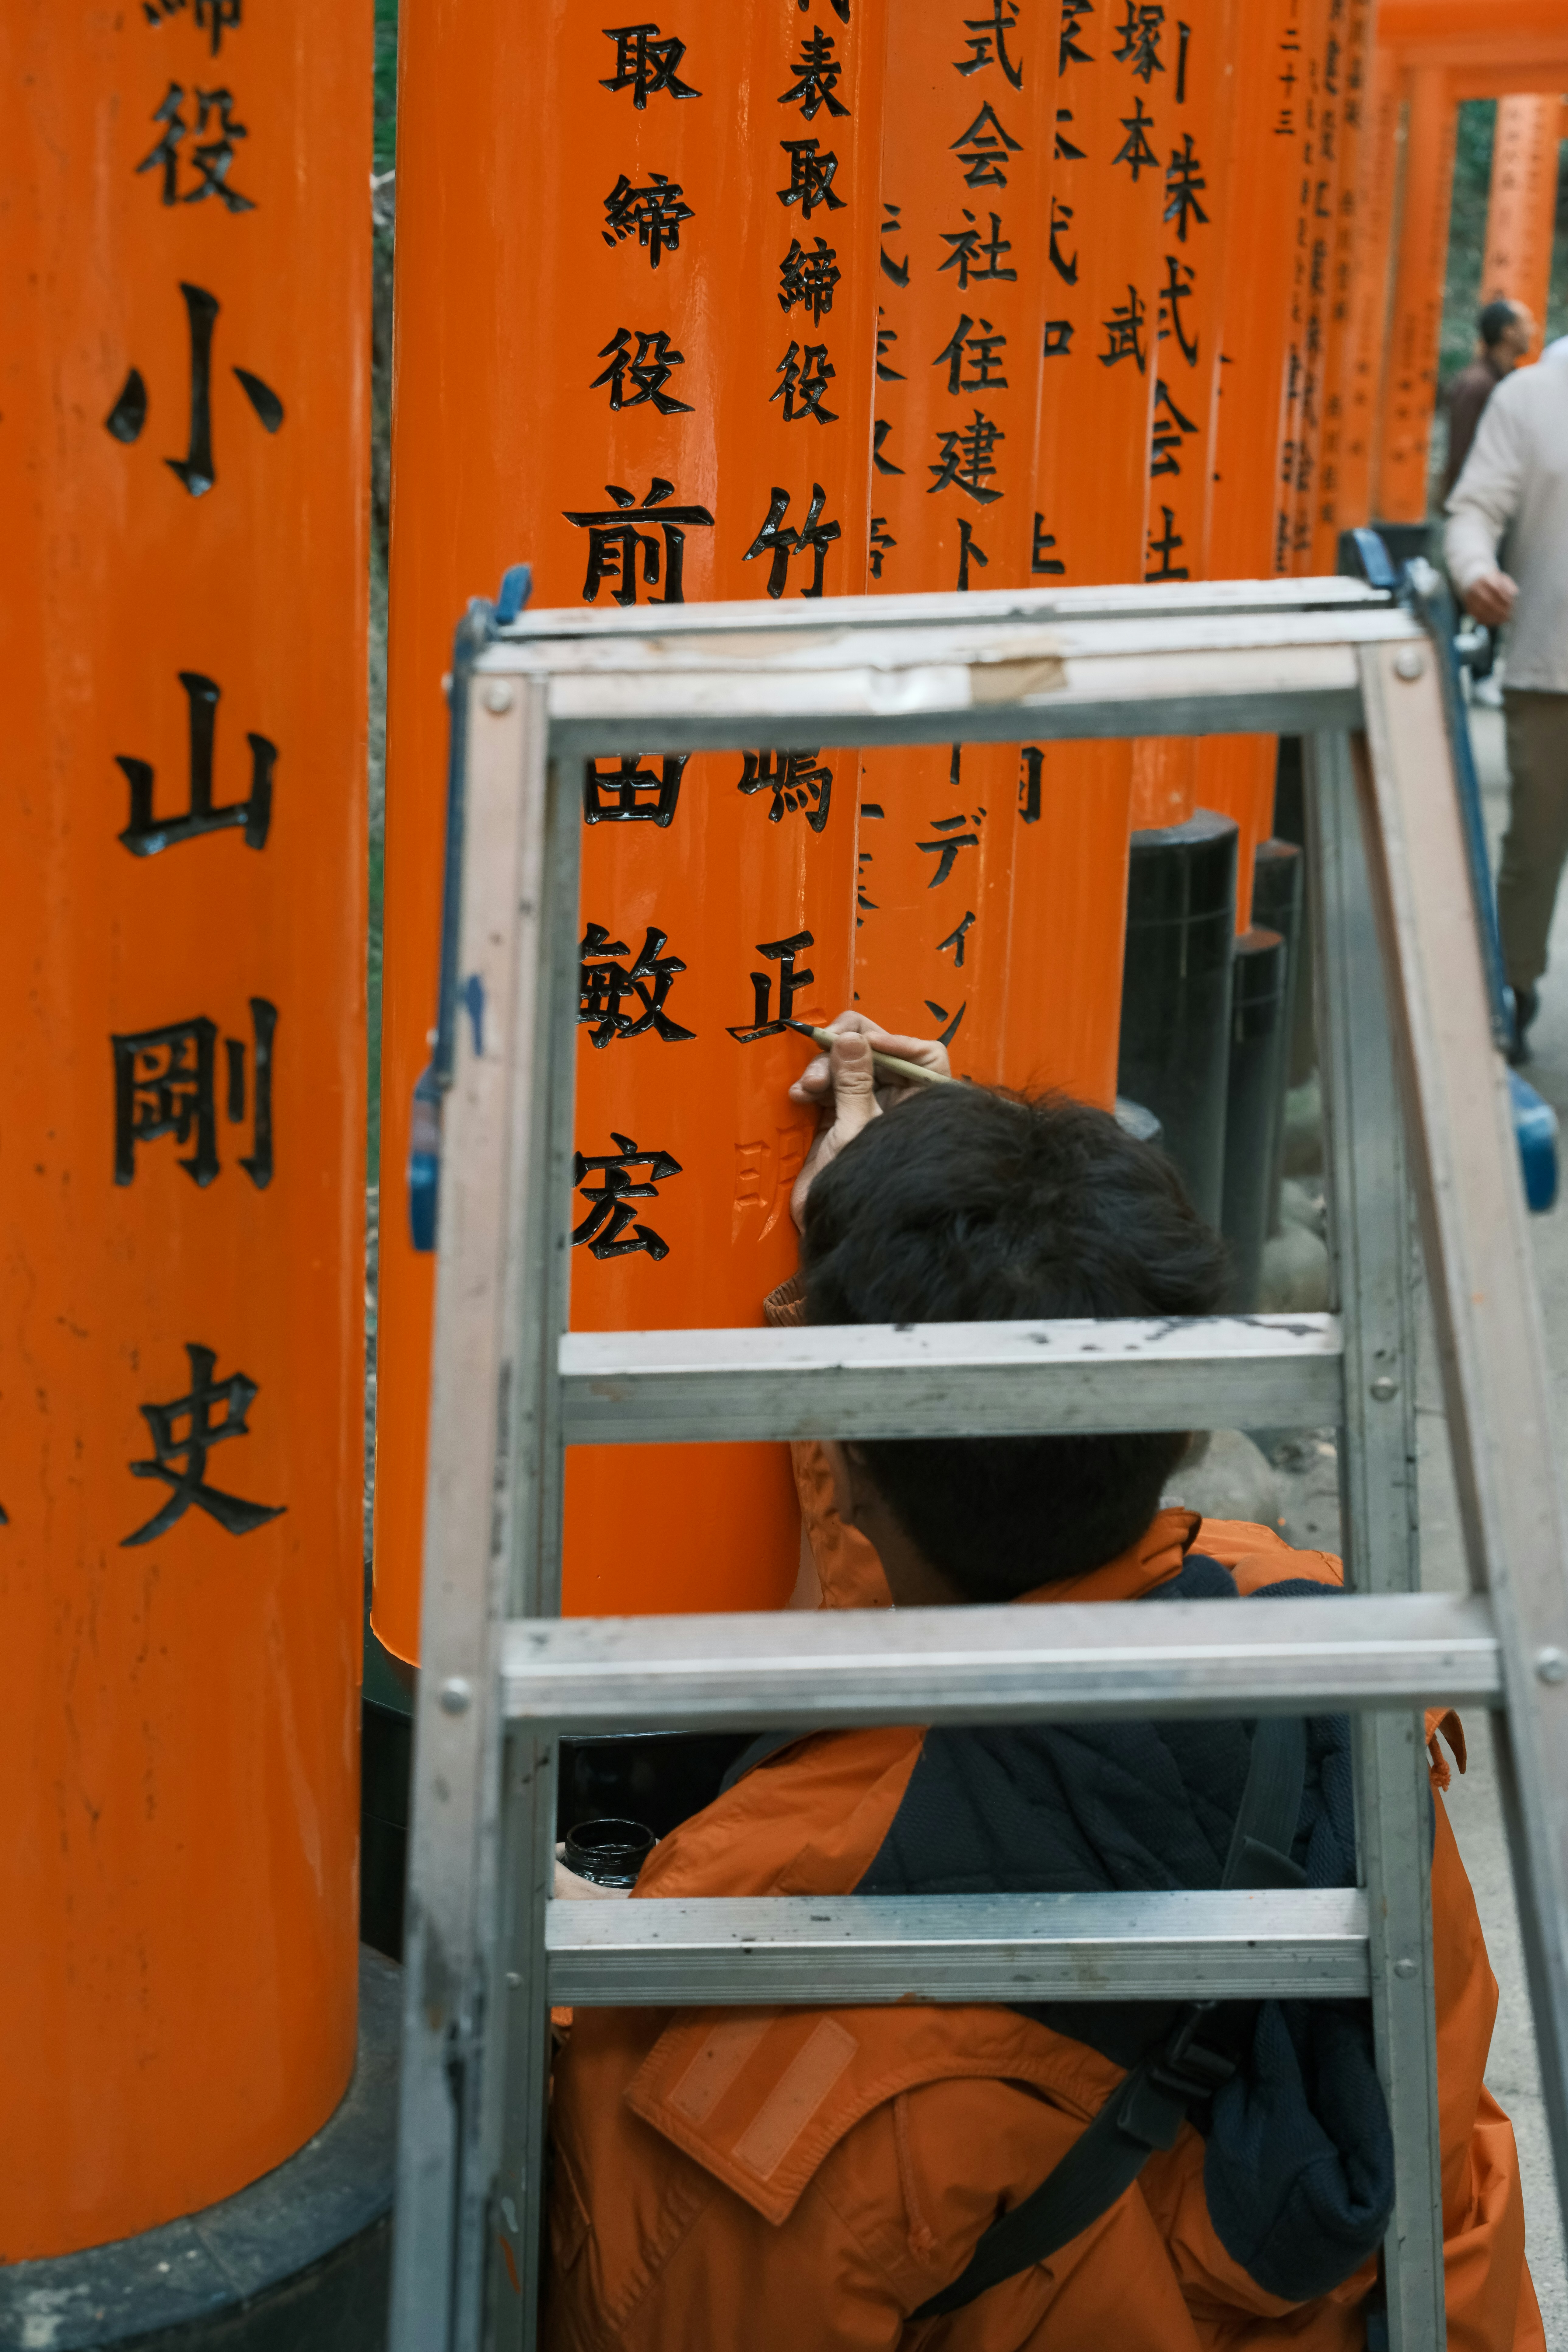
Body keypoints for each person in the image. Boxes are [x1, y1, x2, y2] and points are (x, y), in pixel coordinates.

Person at [546, 1018, 1541, 2352]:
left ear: (845, 1456)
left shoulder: (758, 2058)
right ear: (1183, 1411)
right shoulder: (1312, 1639)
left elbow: (634, 2297)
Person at [1445, 339, 1568, 1063]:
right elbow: (1473, 511)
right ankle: (1513, 988)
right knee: (1535, 846)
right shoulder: (1532, 395)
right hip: (1551, 665)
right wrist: (1474, 570)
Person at [1441, 298, 1535, 501]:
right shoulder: (1476, 384)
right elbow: (1462, 449)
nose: (1533, 331)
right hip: (1478, 500)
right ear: (1508, 332)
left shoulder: (1510, 380)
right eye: (1527, 324)